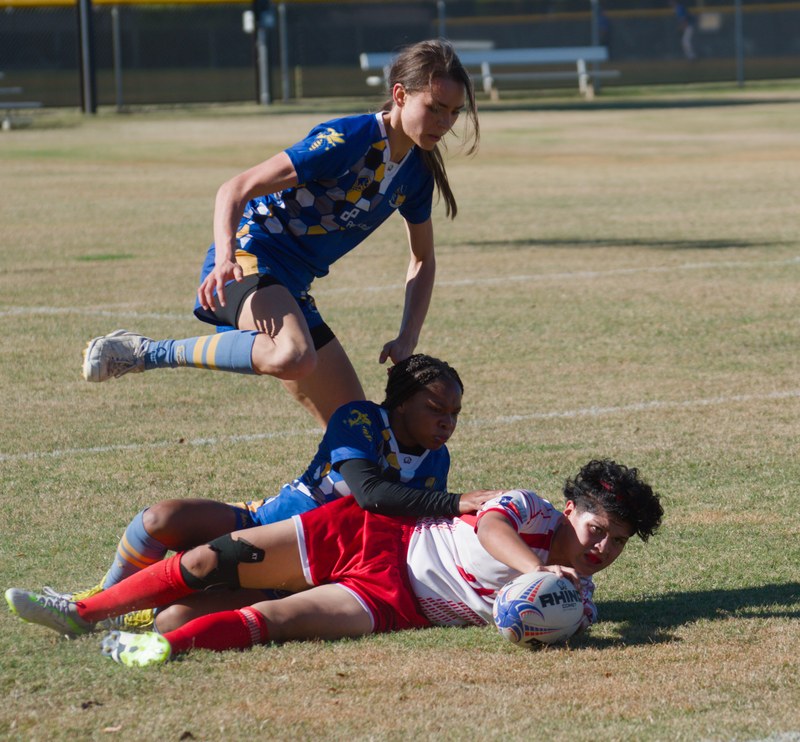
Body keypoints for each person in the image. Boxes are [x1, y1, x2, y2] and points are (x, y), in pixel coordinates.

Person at [81, 39, 480, 427]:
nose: (445, 124)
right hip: (249, 257)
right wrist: (224, 260)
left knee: (359, 431)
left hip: (291, 288)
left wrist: (407, 336)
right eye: (435, 108)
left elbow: (423, 259)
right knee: (294, 354)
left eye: (454, 113)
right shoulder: (346, 140)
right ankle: (147, 353)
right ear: (399, 95)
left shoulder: (416, 173)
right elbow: (234, 189)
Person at [6, 459, 664, 667]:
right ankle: (84, 611)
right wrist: (533, 571)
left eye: (616, 543)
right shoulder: (529, 511)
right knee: (215, 558)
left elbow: (533, 630)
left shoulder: (574, 597)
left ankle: (163, 649)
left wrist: (555, 616)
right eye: (596, 530)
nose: (601, 549)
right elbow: (490, 527)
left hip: (392, 603)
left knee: (277, 618)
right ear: (571, 508)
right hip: (368, 539)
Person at [38, 354, 498, 630]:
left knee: (173, 621)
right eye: (435, 408)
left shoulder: (436, 461)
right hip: (265, 522)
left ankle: (130, 612)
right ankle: (100, 598)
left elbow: (407, 527)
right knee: (161, 518)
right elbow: (370, 493)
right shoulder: (359, 419)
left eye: (455, 413)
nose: (447, 422)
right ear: (399, 404)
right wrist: (455, 501)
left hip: (306, 570)